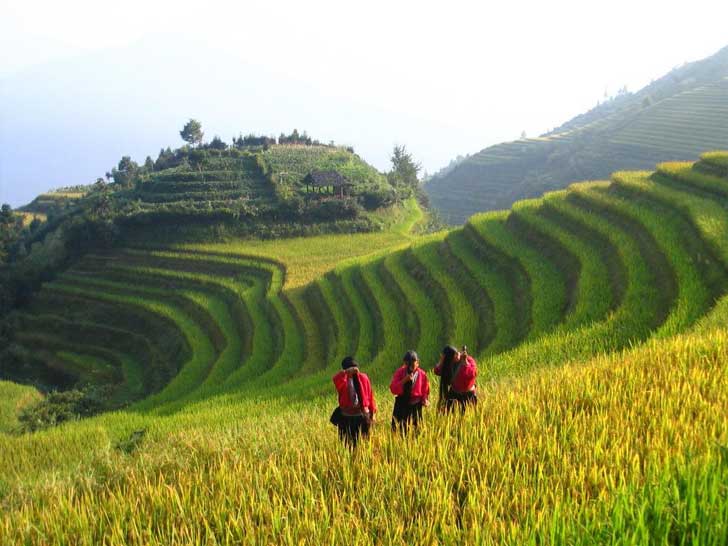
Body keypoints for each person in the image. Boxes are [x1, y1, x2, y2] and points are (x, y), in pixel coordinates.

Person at [331, 356, 377, 448]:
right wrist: (346, 372)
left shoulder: (363, 378)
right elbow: (335, 379)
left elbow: (370, 396)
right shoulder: (343, 380)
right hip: (346, 418)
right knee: (346, 444)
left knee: (364, 444)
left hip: (361, 415)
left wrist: (373, 413)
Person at [389, 350, 430, 434]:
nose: (411, 365)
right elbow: (393, 388)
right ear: (405, 363)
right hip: (402, 405)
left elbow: (425, 389)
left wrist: (424, 399)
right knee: (401, 430)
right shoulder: (400, 372)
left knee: (416, 430)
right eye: (408, 363)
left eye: (413, 362)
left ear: (417, 362)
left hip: (416, 406)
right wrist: (404, 380)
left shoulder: (422, 374)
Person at [434, 345, 477, 413]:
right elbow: (437, 371)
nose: (458, 355)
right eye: (455, 355)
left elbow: (473, 374)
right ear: (450, 359)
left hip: (468, 394)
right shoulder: (448, 365)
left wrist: (465, 362)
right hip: (454, 394)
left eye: (457, 353)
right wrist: (442, 360)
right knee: (450, 416)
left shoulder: (469, 359)